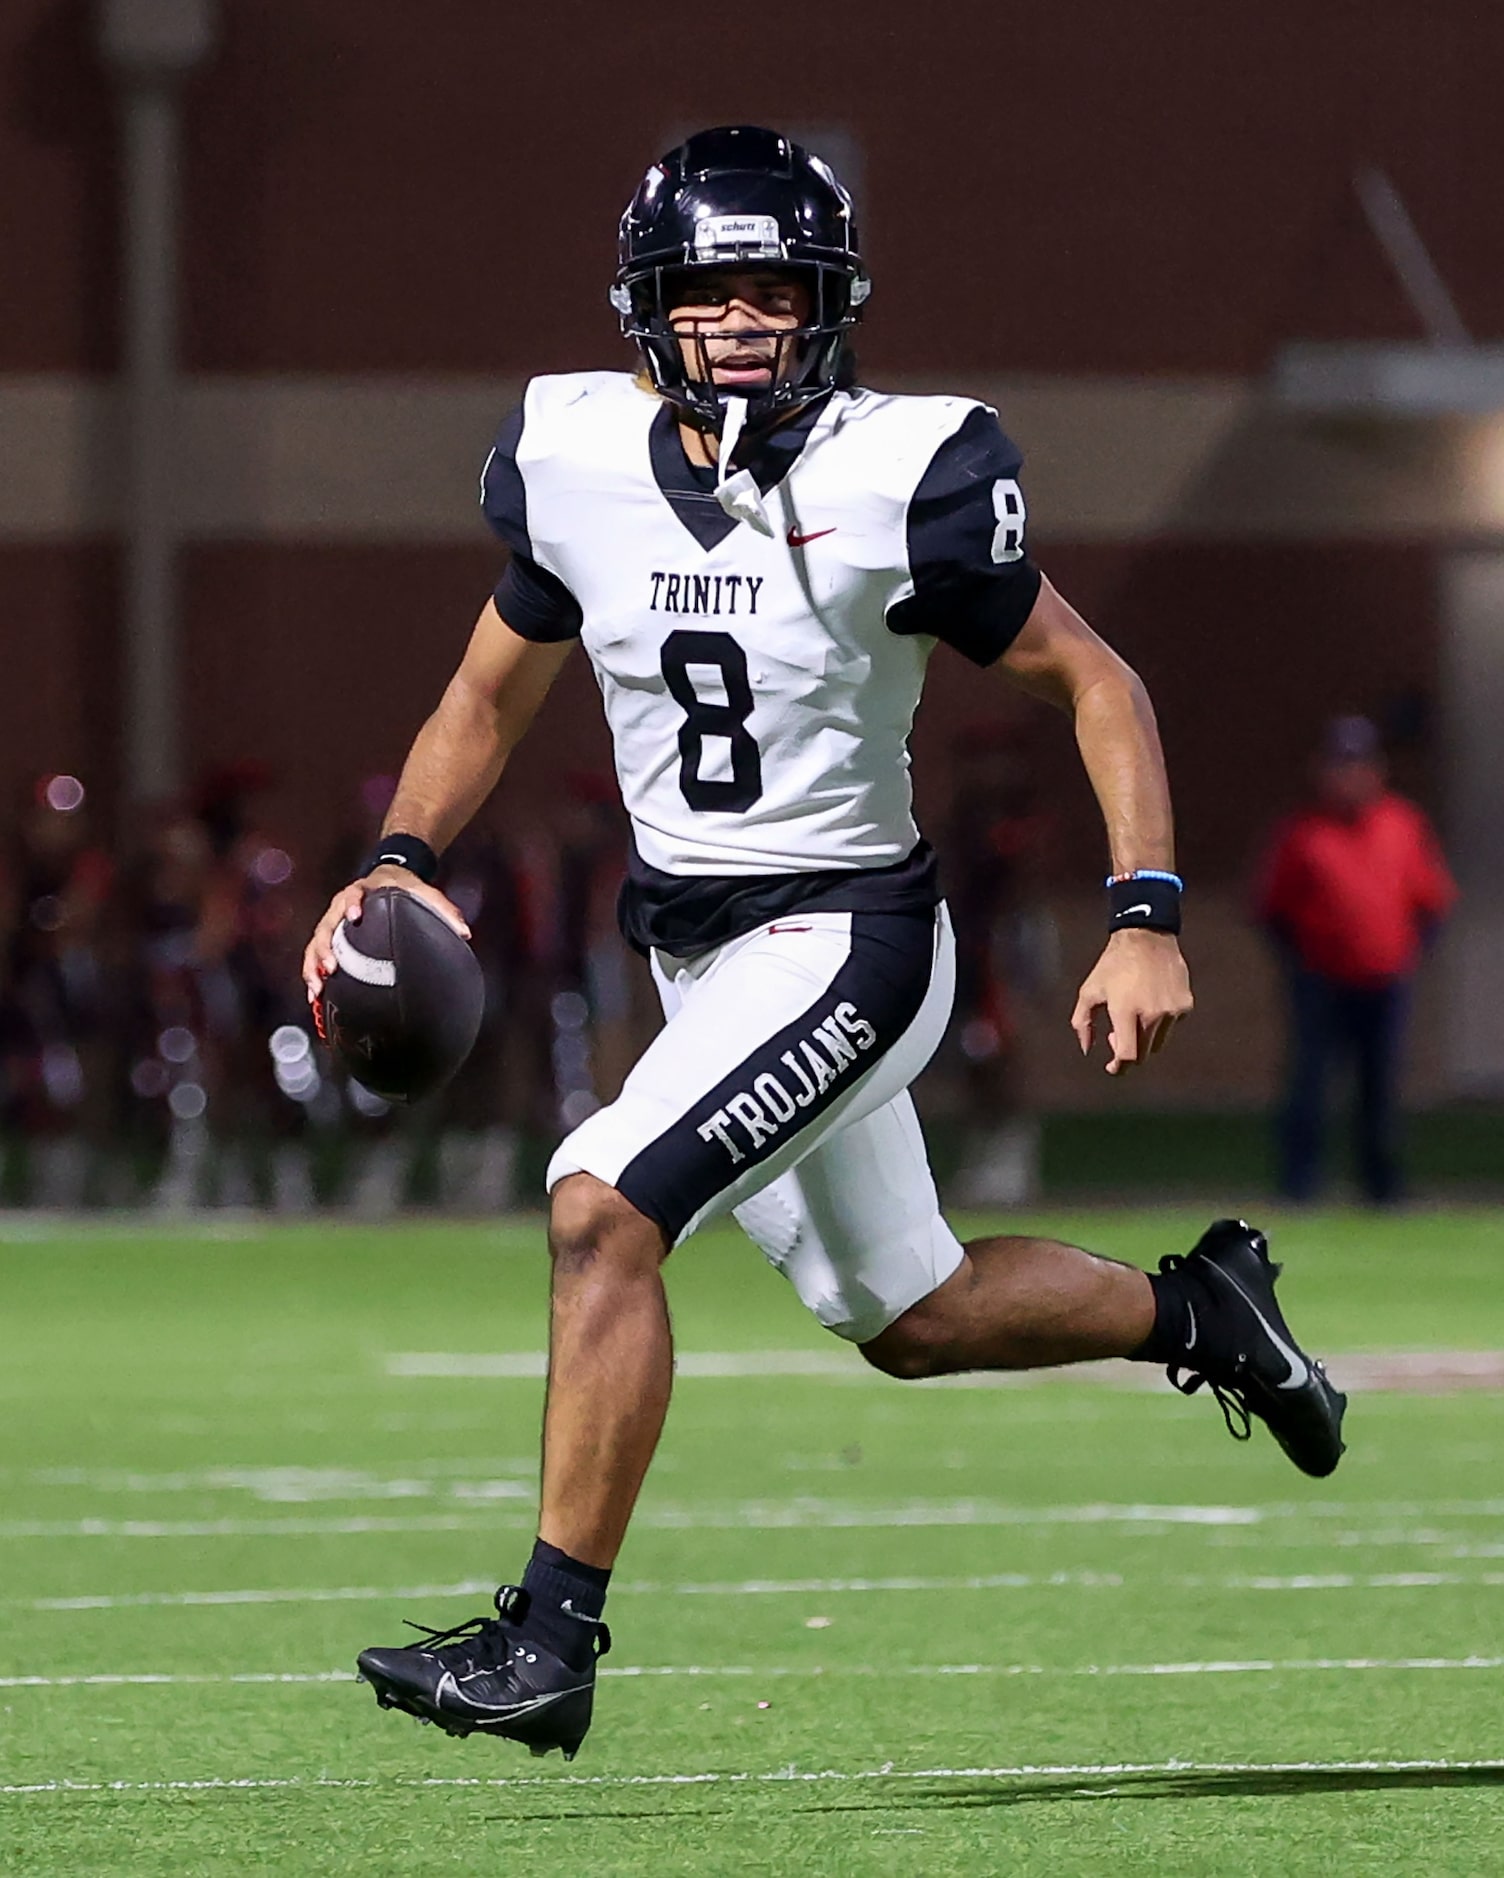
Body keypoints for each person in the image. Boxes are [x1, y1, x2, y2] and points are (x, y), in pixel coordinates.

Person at [301, 126, 1346, 1760]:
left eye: (770, 290)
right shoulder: (567, 452)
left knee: (598, 1202)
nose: (738, 324)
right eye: (704, 292)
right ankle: (1201, 1311)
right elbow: (482, 694)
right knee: (907, 1313)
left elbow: (1097, 681)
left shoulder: (903, 471)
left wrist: (1142, 909)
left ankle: (547, 1637)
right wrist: (395, 861)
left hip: (851, 936)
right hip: (700, 952)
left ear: (826, 303)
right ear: (647, 307)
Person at [1257, 715, 1457, 1204]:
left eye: (1360, 764)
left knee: (1380, 1087)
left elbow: (1432, 901)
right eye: (1340, 765)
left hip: (1385, 981)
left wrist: (1407, 954)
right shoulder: (1303, 833)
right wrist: (1304, 960)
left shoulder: (1403, 824)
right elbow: (1273, 909)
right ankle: (1300, 1184)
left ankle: (1382, 1186)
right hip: (1320, 980)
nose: (1350, 776)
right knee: (1310, 1083)